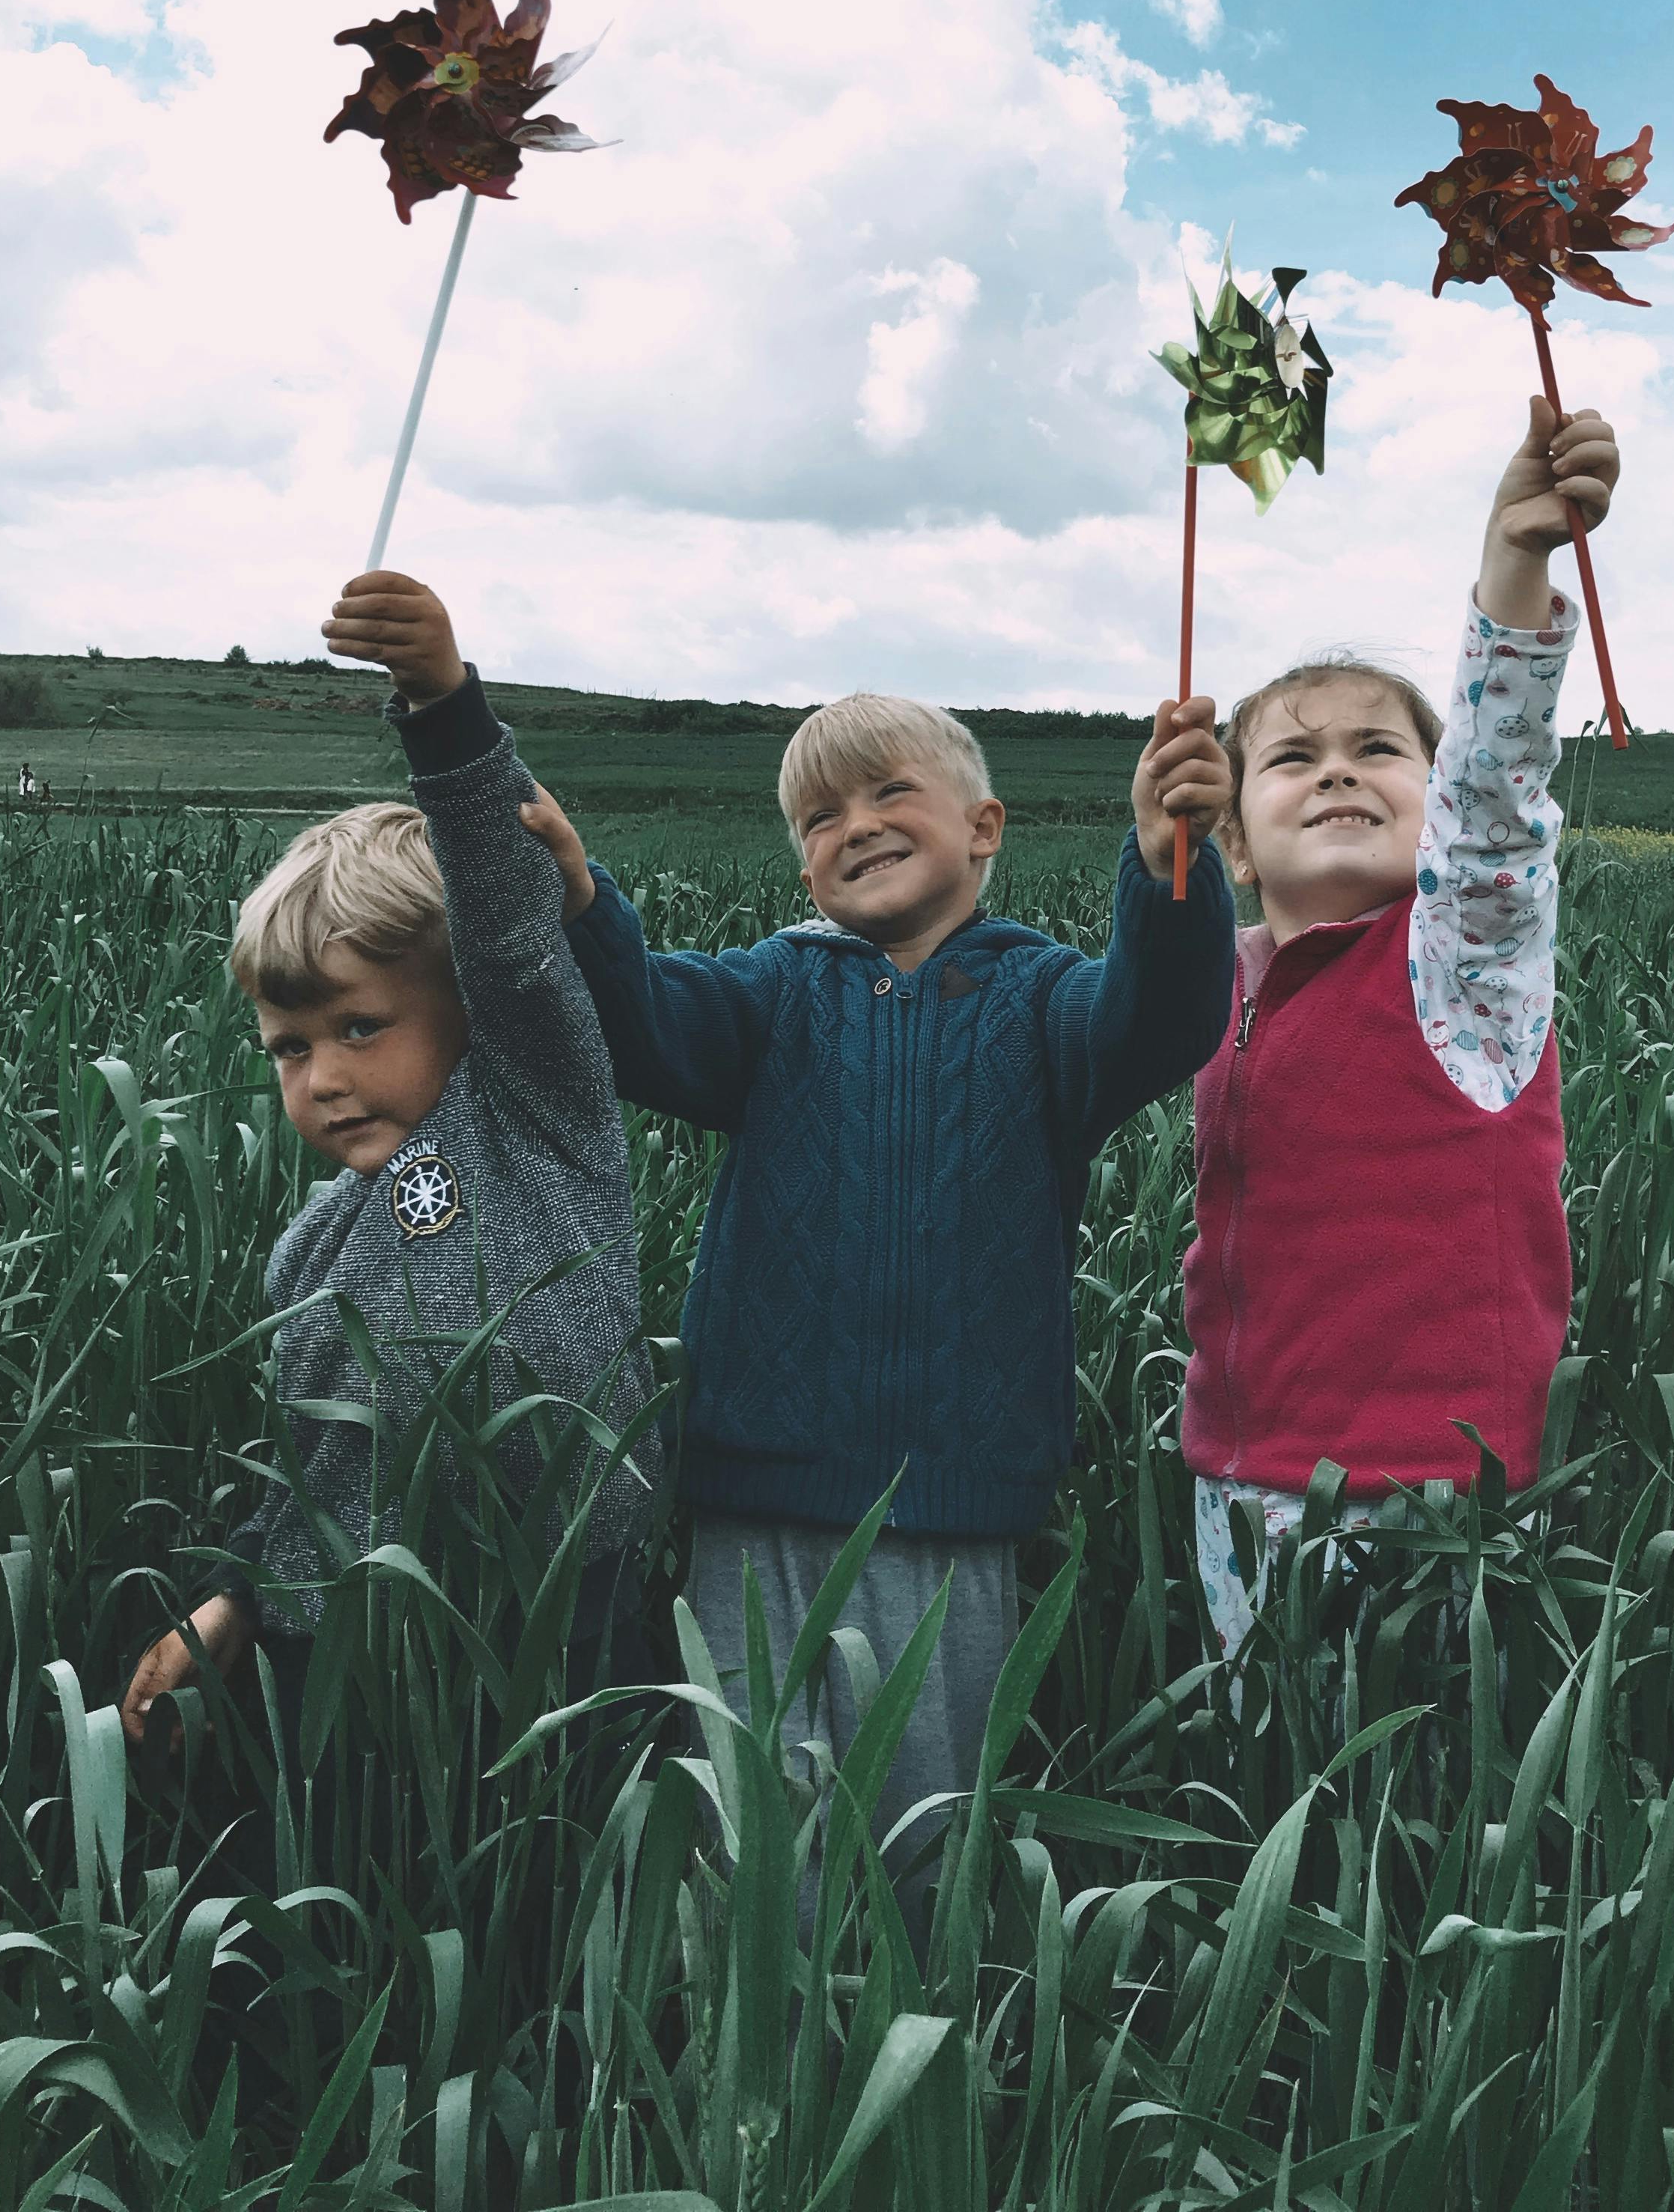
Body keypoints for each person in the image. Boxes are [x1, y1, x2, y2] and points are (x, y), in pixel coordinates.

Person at [520, 683, 1235, 1919]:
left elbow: (1163, 1016)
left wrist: (1171, 854)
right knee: (748, 1828)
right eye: (816, 816)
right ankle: (746, 2077)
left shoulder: (1049, 1003)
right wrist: (583, 898)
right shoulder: (770, 995)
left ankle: (906, 2072)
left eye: (888, 792)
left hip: (954, 1508)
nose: (852, 825)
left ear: (984, 828)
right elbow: (639, 1025)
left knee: (921, 1831)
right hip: (758, 1503)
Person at [119, 571, 663, 1748]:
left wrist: (440, 705)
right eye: (290, 1048)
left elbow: (514, 934)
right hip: (361, 1658)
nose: (322, 1077)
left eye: (361, 1028)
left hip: (561, 1620)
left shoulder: (534, 1122)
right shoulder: (309, 1250)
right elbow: (316, 1482)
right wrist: (240, 1601)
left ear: (468, 1007)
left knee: (551, 1891)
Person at [1184, 395, 1620, 1670]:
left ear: (1436, 810)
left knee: (1419, 1836)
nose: (1336, 771)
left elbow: (1497, 792)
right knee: (1269, 1811)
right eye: (1292, 758)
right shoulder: (1223, 987)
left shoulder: (1460, 965)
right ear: (1234, 837)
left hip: (1428, 1499)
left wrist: (1515, 565)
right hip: (1237, 1483)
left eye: (1380, 748)